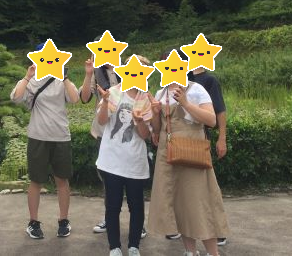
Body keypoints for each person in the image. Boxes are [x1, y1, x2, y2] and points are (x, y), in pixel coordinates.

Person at [148, 70, 230, 256]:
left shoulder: (196, 89)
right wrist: (155, 112)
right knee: (179, 205)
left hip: (193, 154)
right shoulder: (161, 93)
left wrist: (185, 103)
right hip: (168, 155)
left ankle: (213, 253)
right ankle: (190, 251)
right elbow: (158, 129)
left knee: (201, 203)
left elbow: (211, 120)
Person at [10, 43, 80, 240]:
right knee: (36, 181)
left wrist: (64, 76)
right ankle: (33, 222)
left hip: (61, 136)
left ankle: (63, 220)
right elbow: (16, 98)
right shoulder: (32, 81)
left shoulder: (61, 80)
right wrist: (27, 76)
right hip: (38, 136)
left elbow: (75, 98)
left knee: (62, 180)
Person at [79, 51, 148, 239]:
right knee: (110, 182)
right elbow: (84, 98)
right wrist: (89, 74)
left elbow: (147, 130)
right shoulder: (97, 72)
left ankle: (138, 225)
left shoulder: (129, 74)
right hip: (106, 132)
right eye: (101, 50)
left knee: (134, 190)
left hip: (133, 138)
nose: (105, 54)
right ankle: (108, 218)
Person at [95, 55, 160, 256]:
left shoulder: (146, 99)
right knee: (113, 206)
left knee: (136, 206)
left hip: (135, 162)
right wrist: (105, 102)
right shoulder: (114, 92)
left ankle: (134, 246)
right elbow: (102, 121)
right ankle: (114, 247)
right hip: (111, 161)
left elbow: (145, 135)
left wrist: (140, 121)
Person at [188, 39, 228, 247]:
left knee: (207, 187)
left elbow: (220, 111)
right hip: (181, 140)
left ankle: (217, 230)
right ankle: (186, 229)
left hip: (201, 137)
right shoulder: (182, 76)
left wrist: (222, 138)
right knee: (187, 188)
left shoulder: (210, 80)